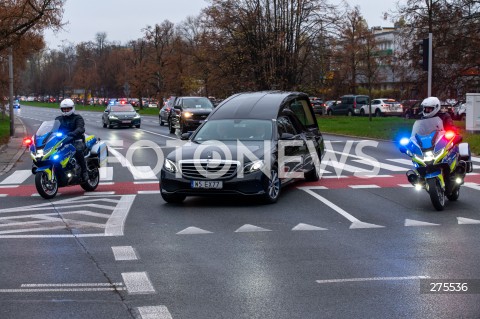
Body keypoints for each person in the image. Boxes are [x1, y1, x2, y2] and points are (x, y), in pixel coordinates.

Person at [55, 98, 89, 181]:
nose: (66, 110)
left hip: (76, 140)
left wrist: (74, 133)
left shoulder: (77, 118)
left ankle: (84, 171)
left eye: (68, 109)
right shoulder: (58, 119)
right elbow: (53, 129)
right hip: (63, 141)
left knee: (77, 150)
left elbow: (80, 128)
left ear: (72, 108)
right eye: (64, 109)